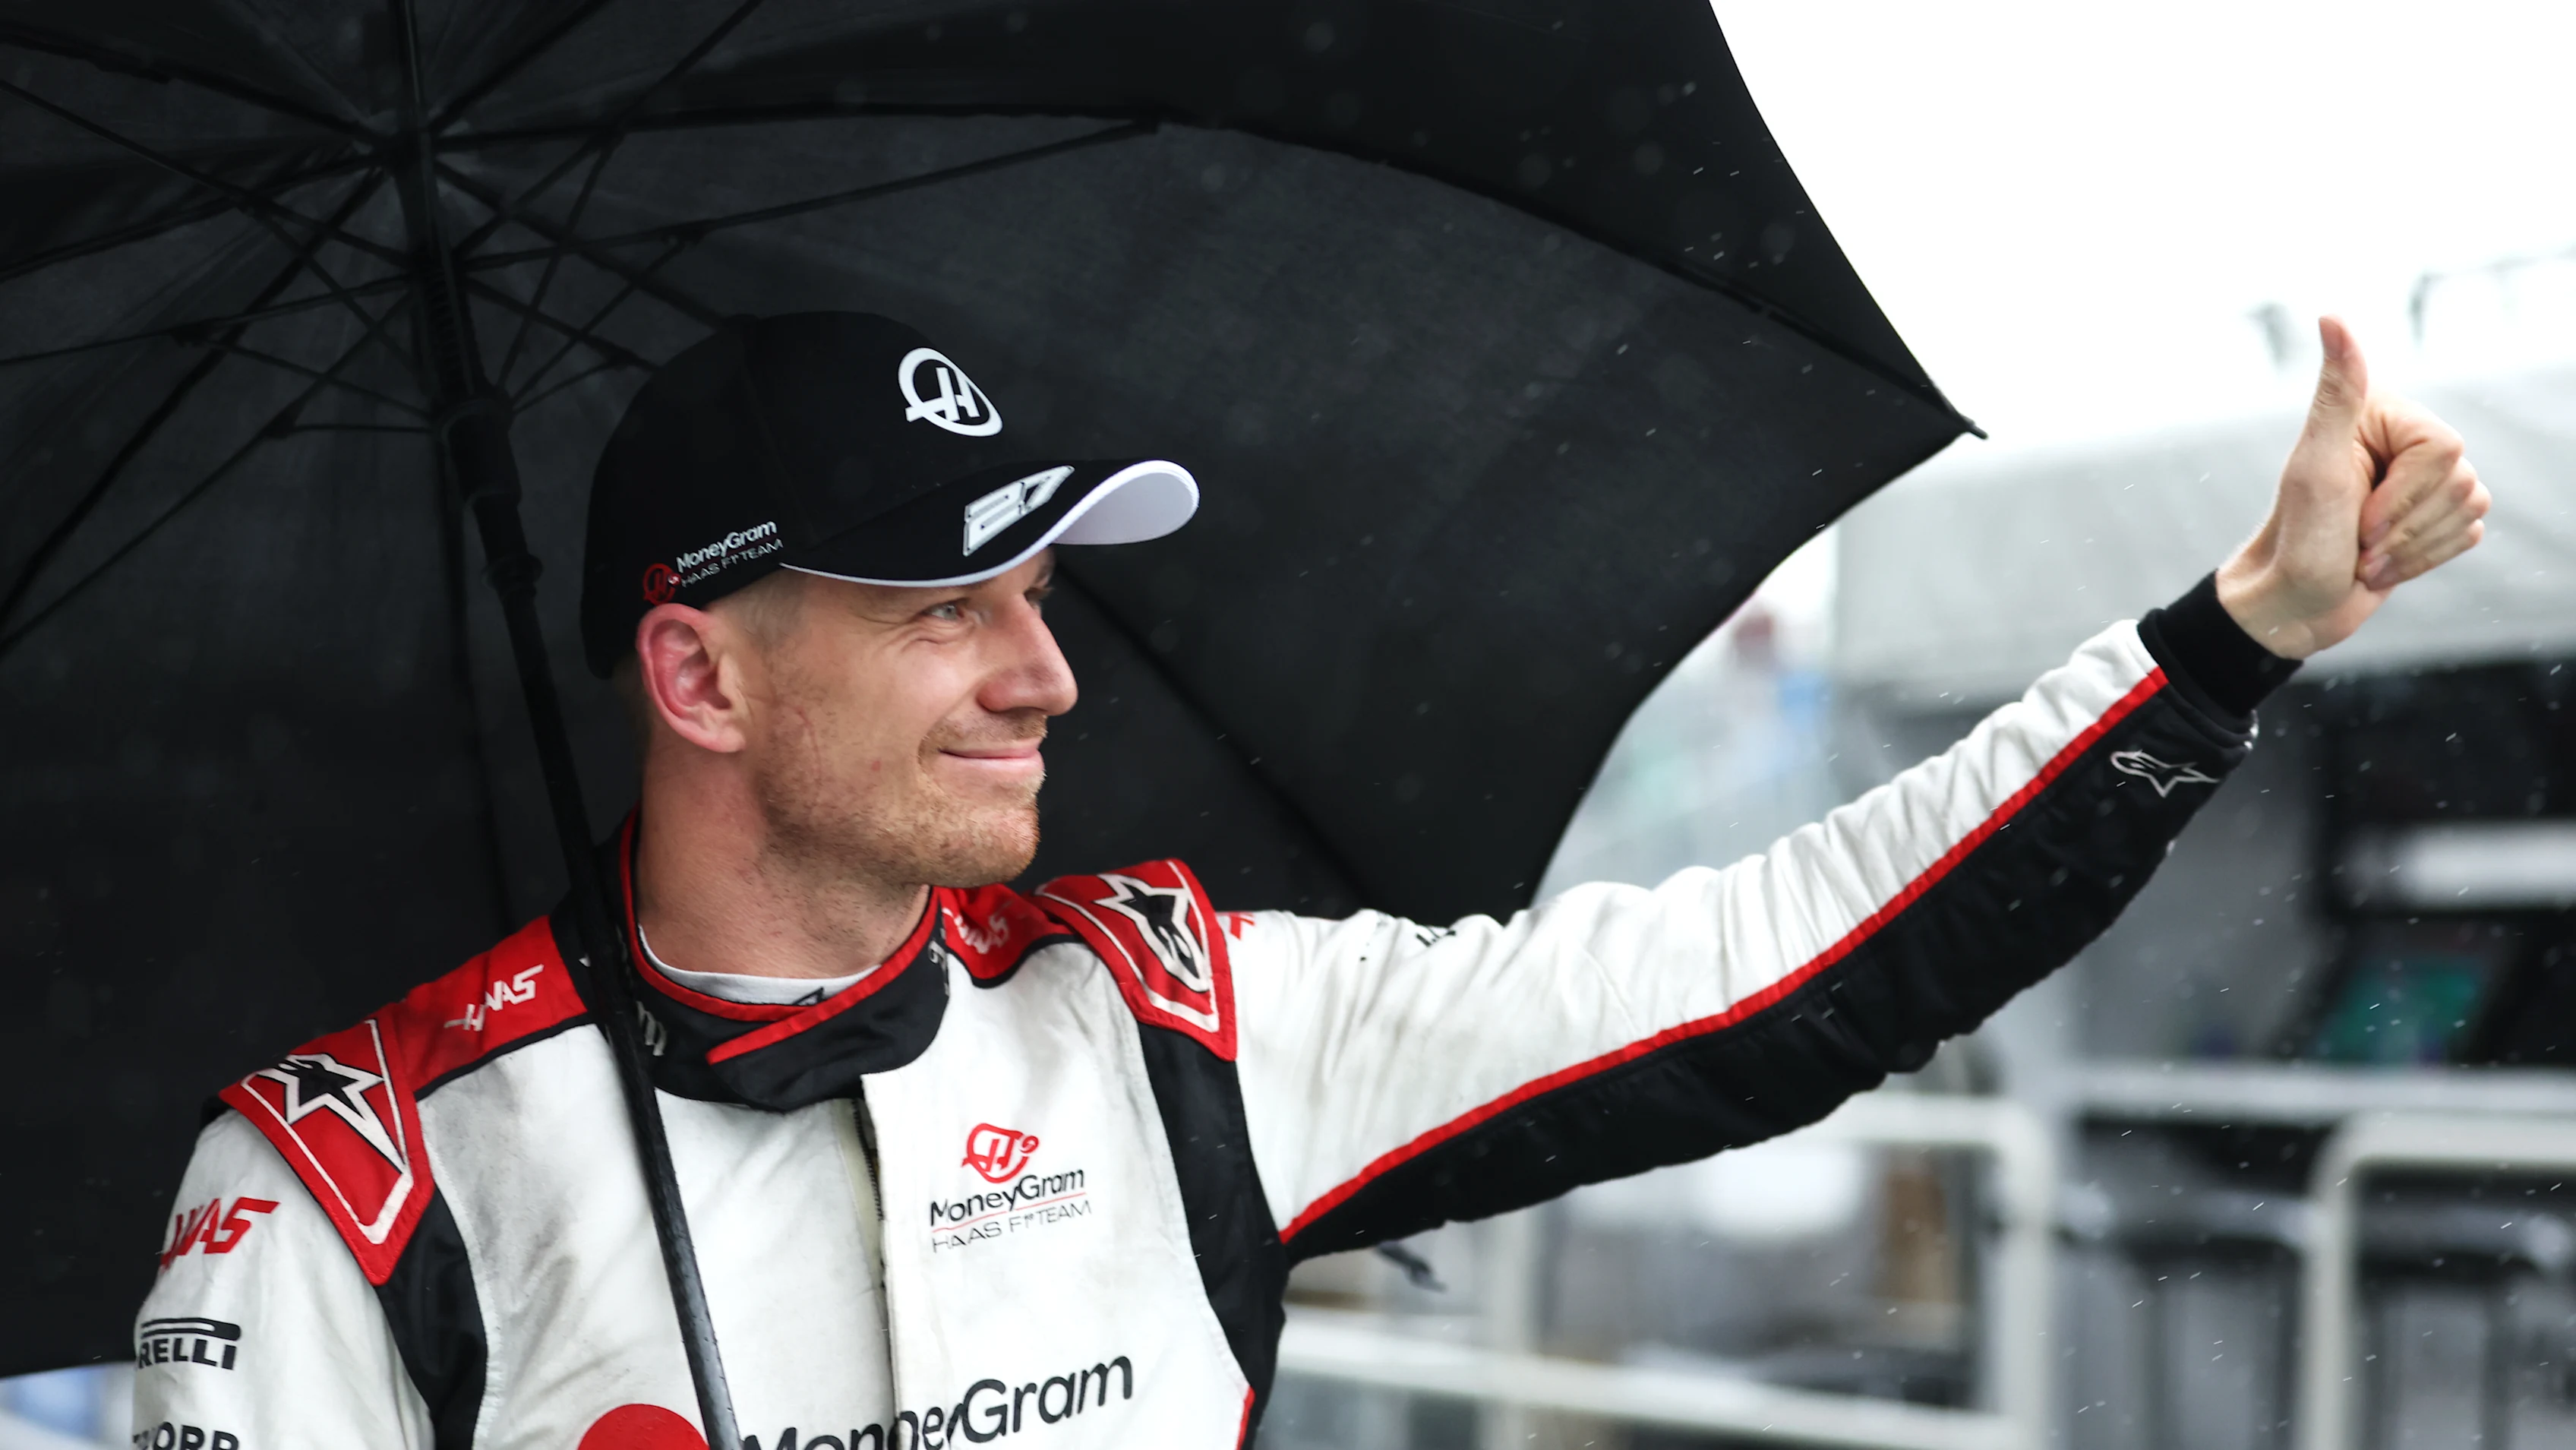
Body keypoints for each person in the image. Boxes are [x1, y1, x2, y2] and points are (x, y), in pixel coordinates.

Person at [132, 311, 2486, 1450]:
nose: (1047, 673)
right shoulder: (344, 1189)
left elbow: (1791, 970)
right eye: (949, 606)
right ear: (700, 674)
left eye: (1044, 591)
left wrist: (2231, 641)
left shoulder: (1178, 1018)